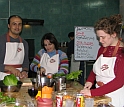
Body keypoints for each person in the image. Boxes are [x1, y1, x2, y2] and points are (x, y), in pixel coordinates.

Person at [80, 14, 124, 107]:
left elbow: (119, 82)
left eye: (103, 37)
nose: (100, 41)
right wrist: (90, 81)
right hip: (100, 95)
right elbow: (96, 69)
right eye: (98, 37)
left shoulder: (121, 54)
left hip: (115, 97)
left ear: (113, 34)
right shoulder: (102, 49)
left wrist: (93, 92)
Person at [0, 15, 29, 79]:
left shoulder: (24, 43)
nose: (17, 27)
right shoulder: (1, 41)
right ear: (9, 26)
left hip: (19, 79)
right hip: (2, 78)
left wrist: (24, 71)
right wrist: (10, 68)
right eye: (14, 24)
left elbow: (26, 62)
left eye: (19, 24)